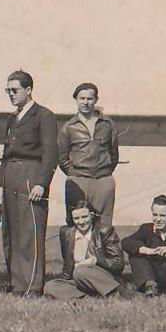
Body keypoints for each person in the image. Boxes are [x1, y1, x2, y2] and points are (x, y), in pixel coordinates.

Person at [0, 70, 58, 296]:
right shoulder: (12, 119)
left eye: (14, 90)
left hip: (31, 175)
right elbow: (6, 153)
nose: (11, 94)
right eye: (8, 90)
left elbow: (50, 153)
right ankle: (17, 284)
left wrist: (41, 183)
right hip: (10, 175)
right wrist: (0, 185)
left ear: (29, 90)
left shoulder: (44, 115)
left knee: (30, 233)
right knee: (11, 232)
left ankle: (33, 285)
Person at [57, 82, 119, 228]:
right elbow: (62, 158)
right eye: (82, 98)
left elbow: (114, 154)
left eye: (89, 99)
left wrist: (103, 171)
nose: (85, 102)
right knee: (76, 224)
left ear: (96, 100)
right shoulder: (69, 127)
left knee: (104, 226)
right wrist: (76, 174)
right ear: (76, 100)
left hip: (103, 180)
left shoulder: (107, 124)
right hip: (78, 181)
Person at [43, 201, 125, 300]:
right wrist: (65, 282)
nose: (81, 222)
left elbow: (118, 263)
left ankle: (114, 292)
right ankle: (86, 296)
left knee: (81, 271)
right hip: (78, 279)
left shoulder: (104, 231)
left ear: (92, 216)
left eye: (85, 217)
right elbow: (67, 266)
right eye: (76, 218)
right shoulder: (67, 233)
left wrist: (96, 261)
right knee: (50, 286)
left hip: (102, 277)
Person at [121, 195, 166, 296]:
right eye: (155, 215)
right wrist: (147, 250)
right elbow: (126, 242)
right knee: (136, 254)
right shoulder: (146, 229)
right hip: (153, 274)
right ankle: (150, 287)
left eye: (162, 216)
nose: (157, 219)